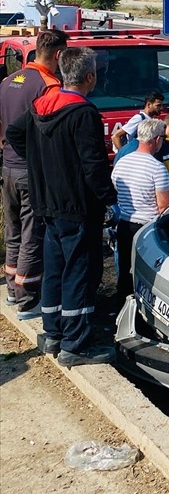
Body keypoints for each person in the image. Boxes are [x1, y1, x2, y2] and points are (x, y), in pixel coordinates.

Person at [6, 47, 117, 366]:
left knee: (53, 268)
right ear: (90, 77)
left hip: (46, 204)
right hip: (77, 208)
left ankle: (52, 334)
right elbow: (94, 166)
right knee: (80, 273)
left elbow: (14, 132)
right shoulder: (84, 113)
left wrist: (41, 162)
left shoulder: (41, 104)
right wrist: (109, 200)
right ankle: (75, 345)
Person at [0, 28, 67, 318]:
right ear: (59, 54)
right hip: (31, 170)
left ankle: (12, 290)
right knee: (31, 233)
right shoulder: (49, 86)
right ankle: (27, 298)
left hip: (8, 166)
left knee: (13, 230)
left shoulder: (8, 81)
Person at [112, 118, 169, 306]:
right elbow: (163, 206)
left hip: (124, 222)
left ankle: (121, 305)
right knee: (146, 272)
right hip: (147, 229)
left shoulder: (122, 162)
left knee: (124, 268)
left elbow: (116, 186)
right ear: (155, 140)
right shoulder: (157, 168)